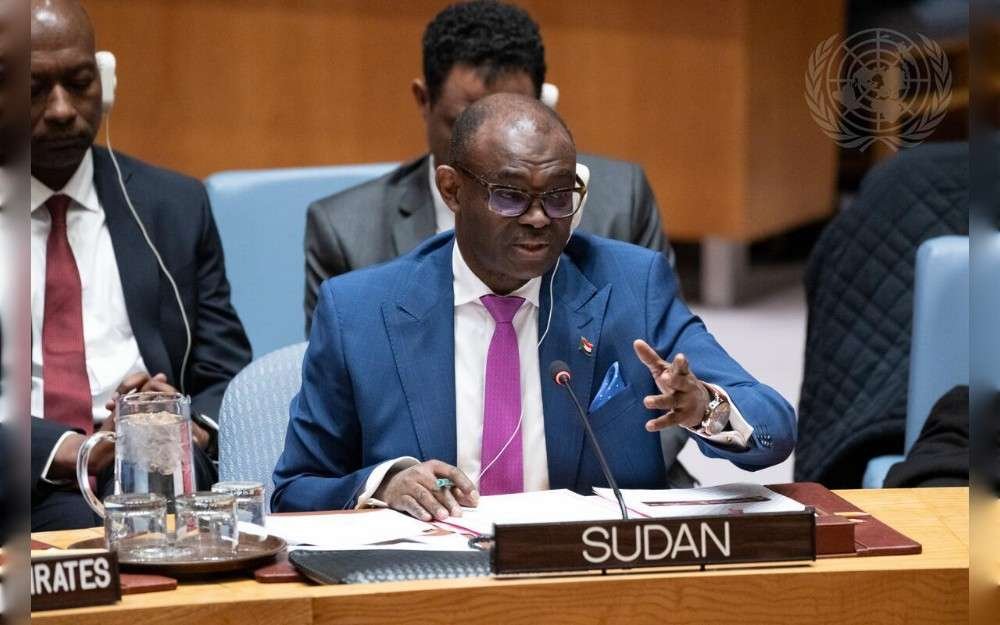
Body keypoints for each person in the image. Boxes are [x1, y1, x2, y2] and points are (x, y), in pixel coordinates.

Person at [273, 94, 795, 519]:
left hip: (589, 579)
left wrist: (706, 407)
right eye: (510, 196)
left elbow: (773, 425)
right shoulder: (361, 311)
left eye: (559, 196)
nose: (540, 218)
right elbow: (295, 488)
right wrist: (383, 483)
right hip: (434, 585)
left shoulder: (630, 286)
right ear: (452, 190)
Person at [304, 0, 674, 334]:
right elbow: (342, 384)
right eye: (462, 124)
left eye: (512, 122)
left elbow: (661, 349)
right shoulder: (345, 235)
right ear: (423, 100)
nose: (494, 154)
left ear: (544, 102)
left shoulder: (620, 204)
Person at [29, 0, 251, 530]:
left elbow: (226, 375)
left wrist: (182, 422)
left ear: (104, 83)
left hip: (149, 477)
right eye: (33, 89)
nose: (61, 109)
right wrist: (69, 449)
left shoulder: (171, 206)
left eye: (80, 83)